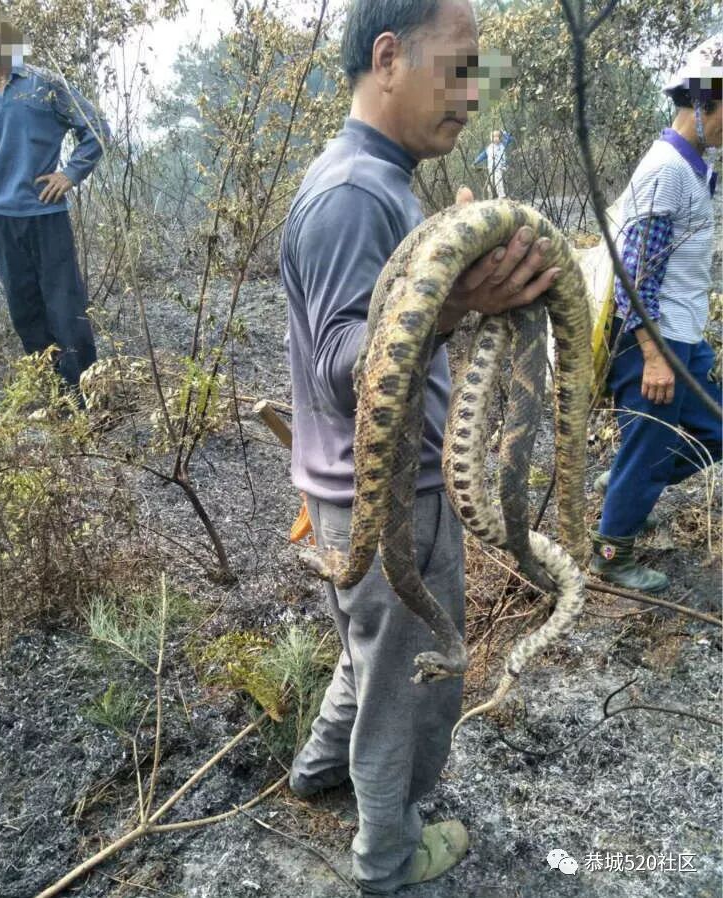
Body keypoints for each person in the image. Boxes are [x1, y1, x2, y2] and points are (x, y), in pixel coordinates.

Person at [280, 1, 561, 893]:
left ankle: (321, 771)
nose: (473, 92)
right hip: (393, 498)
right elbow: (338, 369)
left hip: (349, 494)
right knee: (415, 685)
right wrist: (457, 303)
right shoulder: (355, 194)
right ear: (390, 56)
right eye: (460, 64)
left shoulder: (380, 179)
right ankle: (389, 855)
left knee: (372, 654)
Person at [590, 36, 722, 593]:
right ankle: (612, 554)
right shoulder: (667, 169)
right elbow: (634, 273)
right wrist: (652, 355)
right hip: (656, 344)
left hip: (683, 335)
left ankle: (628, 478)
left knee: (713, 433)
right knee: (651, 440)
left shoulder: (697, 168)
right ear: (704, 103)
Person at [0, 0, 110, 389]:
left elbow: (97, 129)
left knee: (67, 308)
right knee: (25, 311)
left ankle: (86, 396)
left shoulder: (44, 84)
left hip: (46, 214)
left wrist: (70, 174)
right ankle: (56, 397)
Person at [473, 128, 513, 198]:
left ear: (500, 137)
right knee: (490, 185)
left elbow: (510, 139)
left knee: (498, 182)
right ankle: (491, 197)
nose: (496, 138)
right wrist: (475, 162)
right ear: (491, 138)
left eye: (497, 136)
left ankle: (502, 196)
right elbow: (482, 155)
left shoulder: (502, 144)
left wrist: (504, 133)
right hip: (491, 169)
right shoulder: (489, 148)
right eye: (494, 136)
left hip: (500, 168)